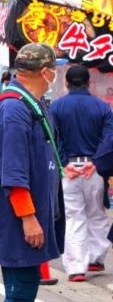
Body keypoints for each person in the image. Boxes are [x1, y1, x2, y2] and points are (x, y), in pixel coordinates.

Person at [0, 43, 64, 302]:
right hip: (19, 218)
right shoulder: (14, 109)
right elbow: (13, 171)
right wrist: (28, 218)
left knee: (23, 289)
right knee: (20, 293)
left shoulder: (31, 103)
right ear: (45, 72)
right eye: (53, 69)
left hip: (31, 213)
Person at [49, 64, 113, 282]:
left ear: (66, 83)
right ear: (88, 83)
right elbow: (109, 138)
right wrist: (96, 162)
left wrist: (63, 163)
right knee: (97, 212)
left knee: (73, 216)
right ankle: (96, 257)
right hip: (94, 169)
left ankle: (76, 267)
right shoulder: (102, 107)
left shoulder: (56, 107)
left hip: (69, 170)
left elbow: (52, 137)